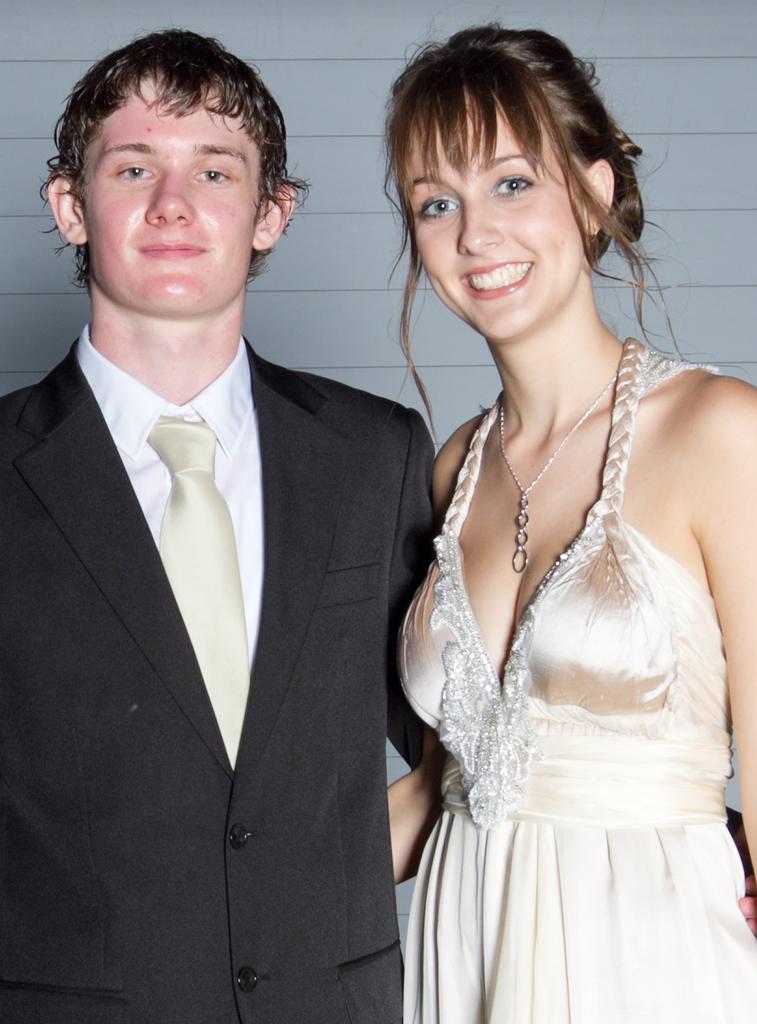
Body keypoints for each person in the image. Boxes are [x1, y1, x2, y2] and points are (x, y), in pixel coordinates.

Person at [0, 29, 433, 1024]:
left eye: (216, 169)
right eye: (134, 165)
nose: (172, 205)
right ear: (72, 205)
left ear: (272, 213)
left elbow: (481, 751)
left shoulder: (381, 456)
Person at [385, 24, 757, 1022]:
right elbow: (437, 791)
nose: (475, 235)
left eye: (512, 183)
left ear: (594, 192)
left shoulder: (722, 432)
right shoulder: (451, 471)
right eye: (437, 202)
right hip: (461, 954)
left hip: (657, 963)